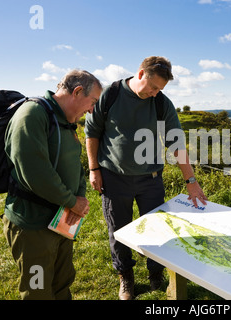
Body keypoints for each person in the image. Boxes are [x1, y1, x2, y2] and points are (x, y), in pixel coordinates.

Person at [85, 56, 207, 300]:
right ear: (141, 74)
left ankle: (155, 274)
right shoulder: (111, 95)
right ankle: (126, 278)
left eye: (160, 89)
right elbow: (92, 132)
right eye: (153, 87)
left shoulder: (161, 103)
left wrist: (191, 182)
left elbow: (176, 142)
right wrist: (93, 169)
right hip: (113, 177)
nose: (154, 93)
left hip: (150, 179)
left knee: (155, 228)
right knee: (117, 229)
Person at [2, 69, 102, 300]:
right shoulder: (32, 114)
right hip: (33, 225)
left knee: (61, 282)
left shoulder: (65, 121)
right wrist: (71, 201)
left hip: (60, 220)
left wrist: (80, 198)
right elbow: (35, 173)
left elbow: (74, 165)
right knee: (37, 290)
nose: (91, 110)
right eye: (92, 102)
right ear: (77, 92)